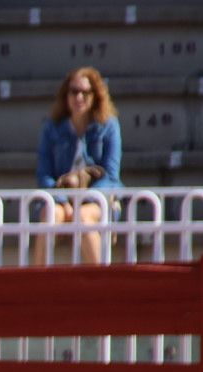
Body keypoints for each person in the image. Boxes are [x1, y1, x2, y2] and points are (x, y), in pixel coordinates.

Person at [35, 67, 122, 266]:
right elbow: (44, 174)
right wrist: (63, 199)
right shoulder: (52, 127)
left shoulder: (109, 126)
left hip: (98, 198)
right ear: (66, 95)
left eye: (85, 92)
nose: (79, 97)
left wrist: (82, 199)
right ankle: (37, 285)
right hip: (61, 198)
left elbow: (111, 175)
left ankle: (99, 285)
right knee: (51, 214)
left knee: (82, 217)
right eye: (74, 91)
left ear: (96, 96)